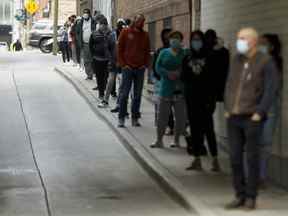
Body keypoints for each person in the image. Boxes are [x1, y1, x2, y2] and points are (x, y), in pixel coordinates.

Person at [224, 28, 278, 210]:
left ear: (253, 41)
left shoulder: (265, 62)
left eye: (242, 38)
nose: (239, 41)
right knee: (234, 157)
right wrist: (228, 107)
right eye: (238, 38)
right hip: (234, 116)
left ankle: (251, 197)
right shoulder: (236, 60)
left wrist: (260, 112)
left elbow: (271, 89)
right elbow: (230, 84)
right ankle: (239, 194)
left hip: (252, 117)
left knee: (252, 158)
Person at [182, 30, 221, 172]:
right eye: (194, 39)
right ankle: (197, 159)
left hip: (206, 100)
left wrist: (212, 99)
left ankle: (215, 159)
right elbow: (184, 78)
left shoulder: (210, 57)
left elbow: (214, 79)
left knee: (208, 129)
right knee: (195, 130)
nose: (196, 42)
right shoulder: (187, 58)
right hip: (192, 100)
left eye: (199, 39)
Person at [150, 31, 186, 148]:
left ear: (181, 40)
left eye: (177, 38)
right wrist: (167, 73)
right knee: (162, 117)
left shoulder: (184, 53)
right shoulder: (164, 52)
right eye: (172, 38)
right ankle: (159, 140)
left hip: (179, 90)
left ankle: (176, 140)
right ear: (169, 40)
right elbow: (157, 66)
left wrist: (180, 73)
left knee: (180, 118)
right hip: (165, 88)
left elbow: (188, 66)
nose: (174, 40)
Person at [258, 33, 283, 188]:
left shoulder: (277, 63)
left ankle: (262, 175)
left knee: (265, 142)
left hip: (270, 107)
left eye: (264, 44)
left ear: (272, 47)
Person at [117, 14, 150, 127]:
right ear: (134, 21)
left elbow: (147, 51)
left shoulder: (145, 35)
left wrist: (145, 65)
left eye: (143, 21)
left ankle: (135, 117)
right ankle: (121, 118)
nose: (141, 23)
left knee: (137, 95)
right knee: (124, 94)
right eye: (139, 21)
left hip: (140, 69)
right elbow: (119, 49)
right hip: (127, 68)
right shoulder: (125, 32)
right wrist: (123, 64)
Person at [98, 18, 127, 108]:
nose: (120, 30)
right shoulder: (112, 35)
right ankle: (105, 100)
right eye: (119, 27)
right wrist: (111, 60)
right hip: (113, 63)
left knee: (122, 83)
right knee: (110, 82)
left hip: (123, 64)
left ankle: (120, 103)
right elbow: (107, 48)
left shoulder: (126, 36)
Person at [151, 28, 175, 134]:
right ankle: (168, 125)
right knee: (164, 105)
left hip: (175, 82)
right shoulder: (160, 51)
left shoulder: (178, 51)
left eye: (170, 36)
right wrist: (160, 79)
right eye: (166, 36)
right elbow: (155, 67)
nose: (168, 38)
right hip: (163, 82)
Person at [89, 17, 115, 101]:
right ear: (99, 25)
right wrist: (93, 55)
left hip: (108, 59)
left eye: (104, 25)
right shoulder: (94, 34)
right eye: (101, 25)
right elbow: (91, 45)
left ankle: (110, 92)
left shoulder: (111, 34)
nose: (103, 27)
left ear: (106, 25)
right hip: (97, 59)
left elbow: (113, 46)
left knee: (107, 77)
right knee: (99, 77)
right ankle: (101, 93)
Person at [75, 9, 96, 80]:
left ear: (89, 14)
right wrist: (79, 41)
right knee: (86, 60)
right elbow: (77, 32)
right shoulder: (80, 22)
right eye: (84, 13)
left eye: (86, 13)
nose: (85, 14)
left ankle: (93, 73)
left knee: (92, 59)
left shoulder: (93, 21)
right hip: (85, 43)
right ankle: (89, 74)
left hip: (92, 44)